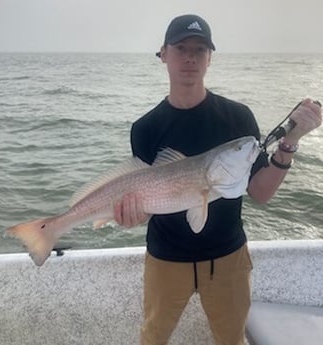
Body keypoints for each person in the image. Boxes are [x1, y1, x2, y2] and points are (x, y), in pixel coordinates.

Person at [114, 14, 322, 345]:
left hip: (228, 259)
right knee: (152, 338)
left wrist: (289, 143)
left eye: (200, 49)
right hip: (166, 258)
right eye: (181, 48)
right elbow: (150, 201)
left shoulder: (238, 118)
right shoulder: (145, 128)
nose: (190, 57)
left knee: (232, 340)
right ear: (163, 54)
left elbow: (260, 193)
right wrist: (132, 215)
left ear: (210, 57)